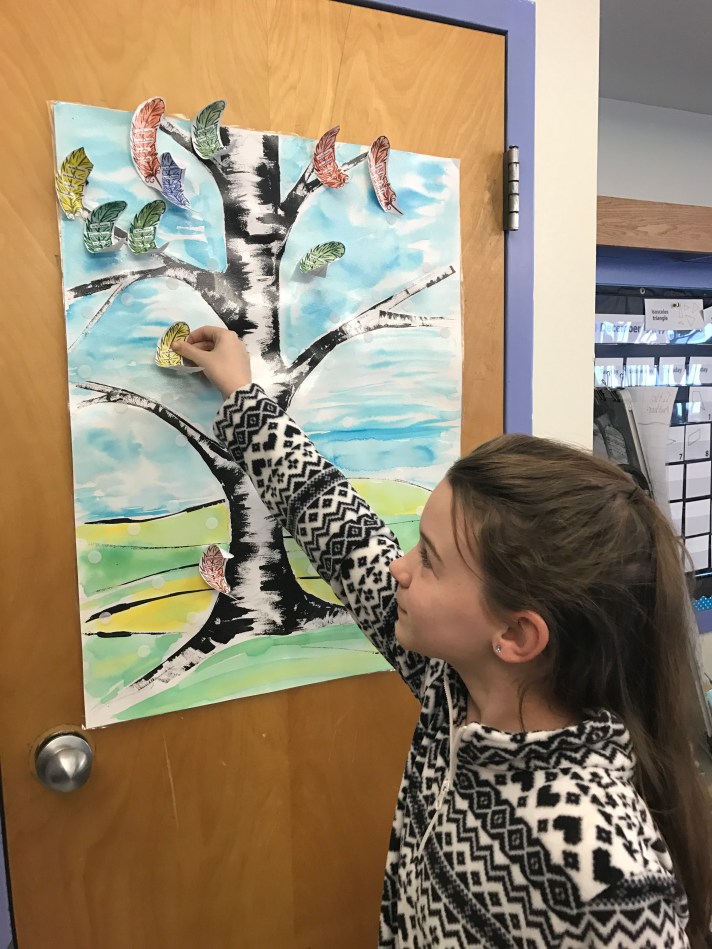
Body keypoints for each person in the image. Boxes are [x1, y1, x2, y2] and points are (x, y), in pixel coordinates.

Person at [174, 326, 712, 948]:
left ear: (514, 635)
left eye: (427, 558)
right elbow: (342, 533)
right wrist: (245, 397)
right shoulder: (454, 691)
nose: (398, 566)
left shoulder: (606, 882)